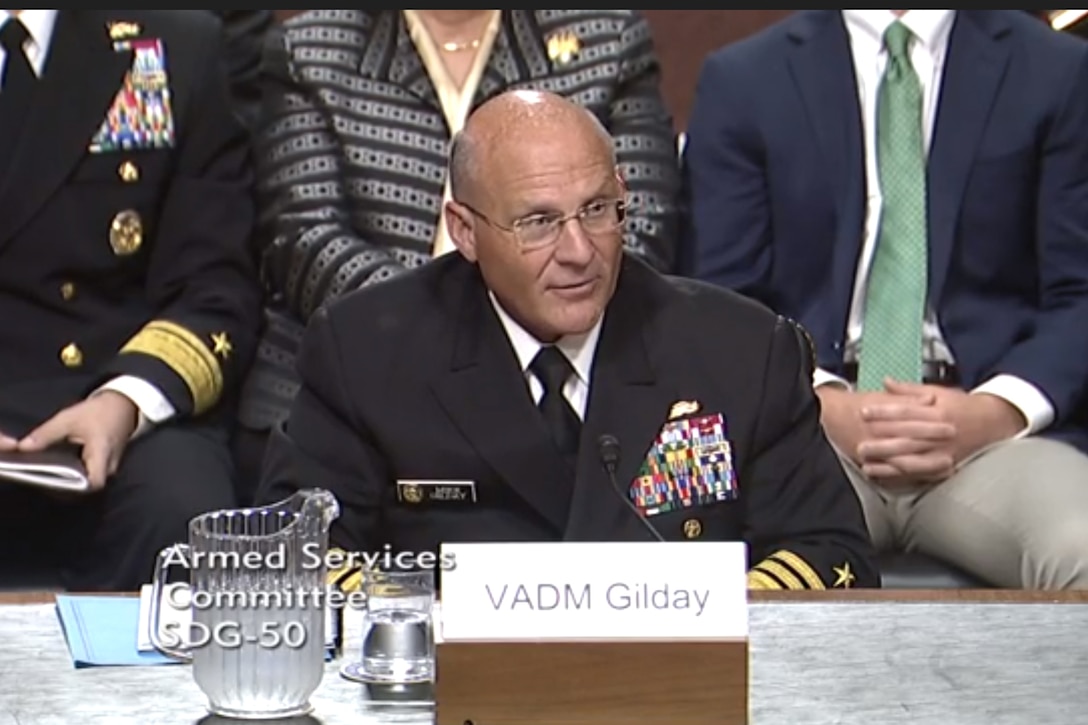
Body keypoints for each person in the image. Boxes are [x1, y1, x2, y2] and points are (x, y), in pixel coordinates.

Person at [257, 90, 879, 592]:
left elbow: (830, 552)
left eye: (599, 211)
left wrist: (708, 624)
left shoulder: (740, 348)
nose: (579, 252)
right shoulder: (366, 349)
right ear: (465, 232)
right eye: (539, 222)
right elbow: (302, 554)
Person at [682, 10, 1088, 588]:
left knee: (1083, 544)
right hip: (806, 432)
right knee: (707, 559)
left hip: (993, 433)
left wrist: (994, 411)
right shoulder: (745, 80)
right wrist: (816, 401)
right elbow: (717, 299)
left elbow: (1080, 294)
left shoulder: (1058, 72)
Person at [234, 10, 682, 500]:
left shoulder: (605, 37)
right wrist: (457, 338)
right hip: (365, 370)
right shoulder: (313, 48)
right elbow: (304, 240)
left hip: (571, 361)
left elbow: (639, 222)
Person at [0, 10, 260, 590]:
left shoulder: (174, 48)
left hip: (105, 390)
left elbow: (213, 286)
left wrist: (122, 403)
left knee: (180, 509)